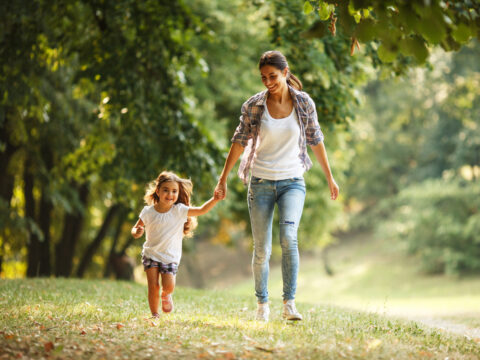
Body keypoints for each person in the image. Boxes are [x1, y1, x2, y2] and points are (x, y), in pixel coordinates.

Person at [214, 50, 339, 322]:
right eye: (263, 77)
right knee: (262, 250)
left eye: (273, 76)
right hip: (260, 182)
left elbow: (316, 139)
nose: (268, 82)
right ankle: (262, 305)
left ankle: (289, 304)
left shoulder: (304, 103)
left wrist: (330, 177)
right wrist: (223, 178)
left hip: (293, 181)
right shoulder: (254, 105)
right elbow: (239, 141)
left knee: (289, 238)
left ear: (285, 72)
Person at [132, 171, 221, 317]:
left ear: (178, 193)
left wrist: (215, 199)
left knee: (168, 286)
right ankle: (155, 314)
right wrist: (137, 231)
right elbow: (135, 228)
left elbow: (201, 210)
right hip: (150, 254)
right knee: (153, 286)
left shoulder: (179, 211)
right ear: (158, 191)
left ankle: (166, 295)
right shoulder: (148, 212)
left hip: (169, 256)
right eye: (166, 190)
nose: (170, 194)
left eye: (174, 191)